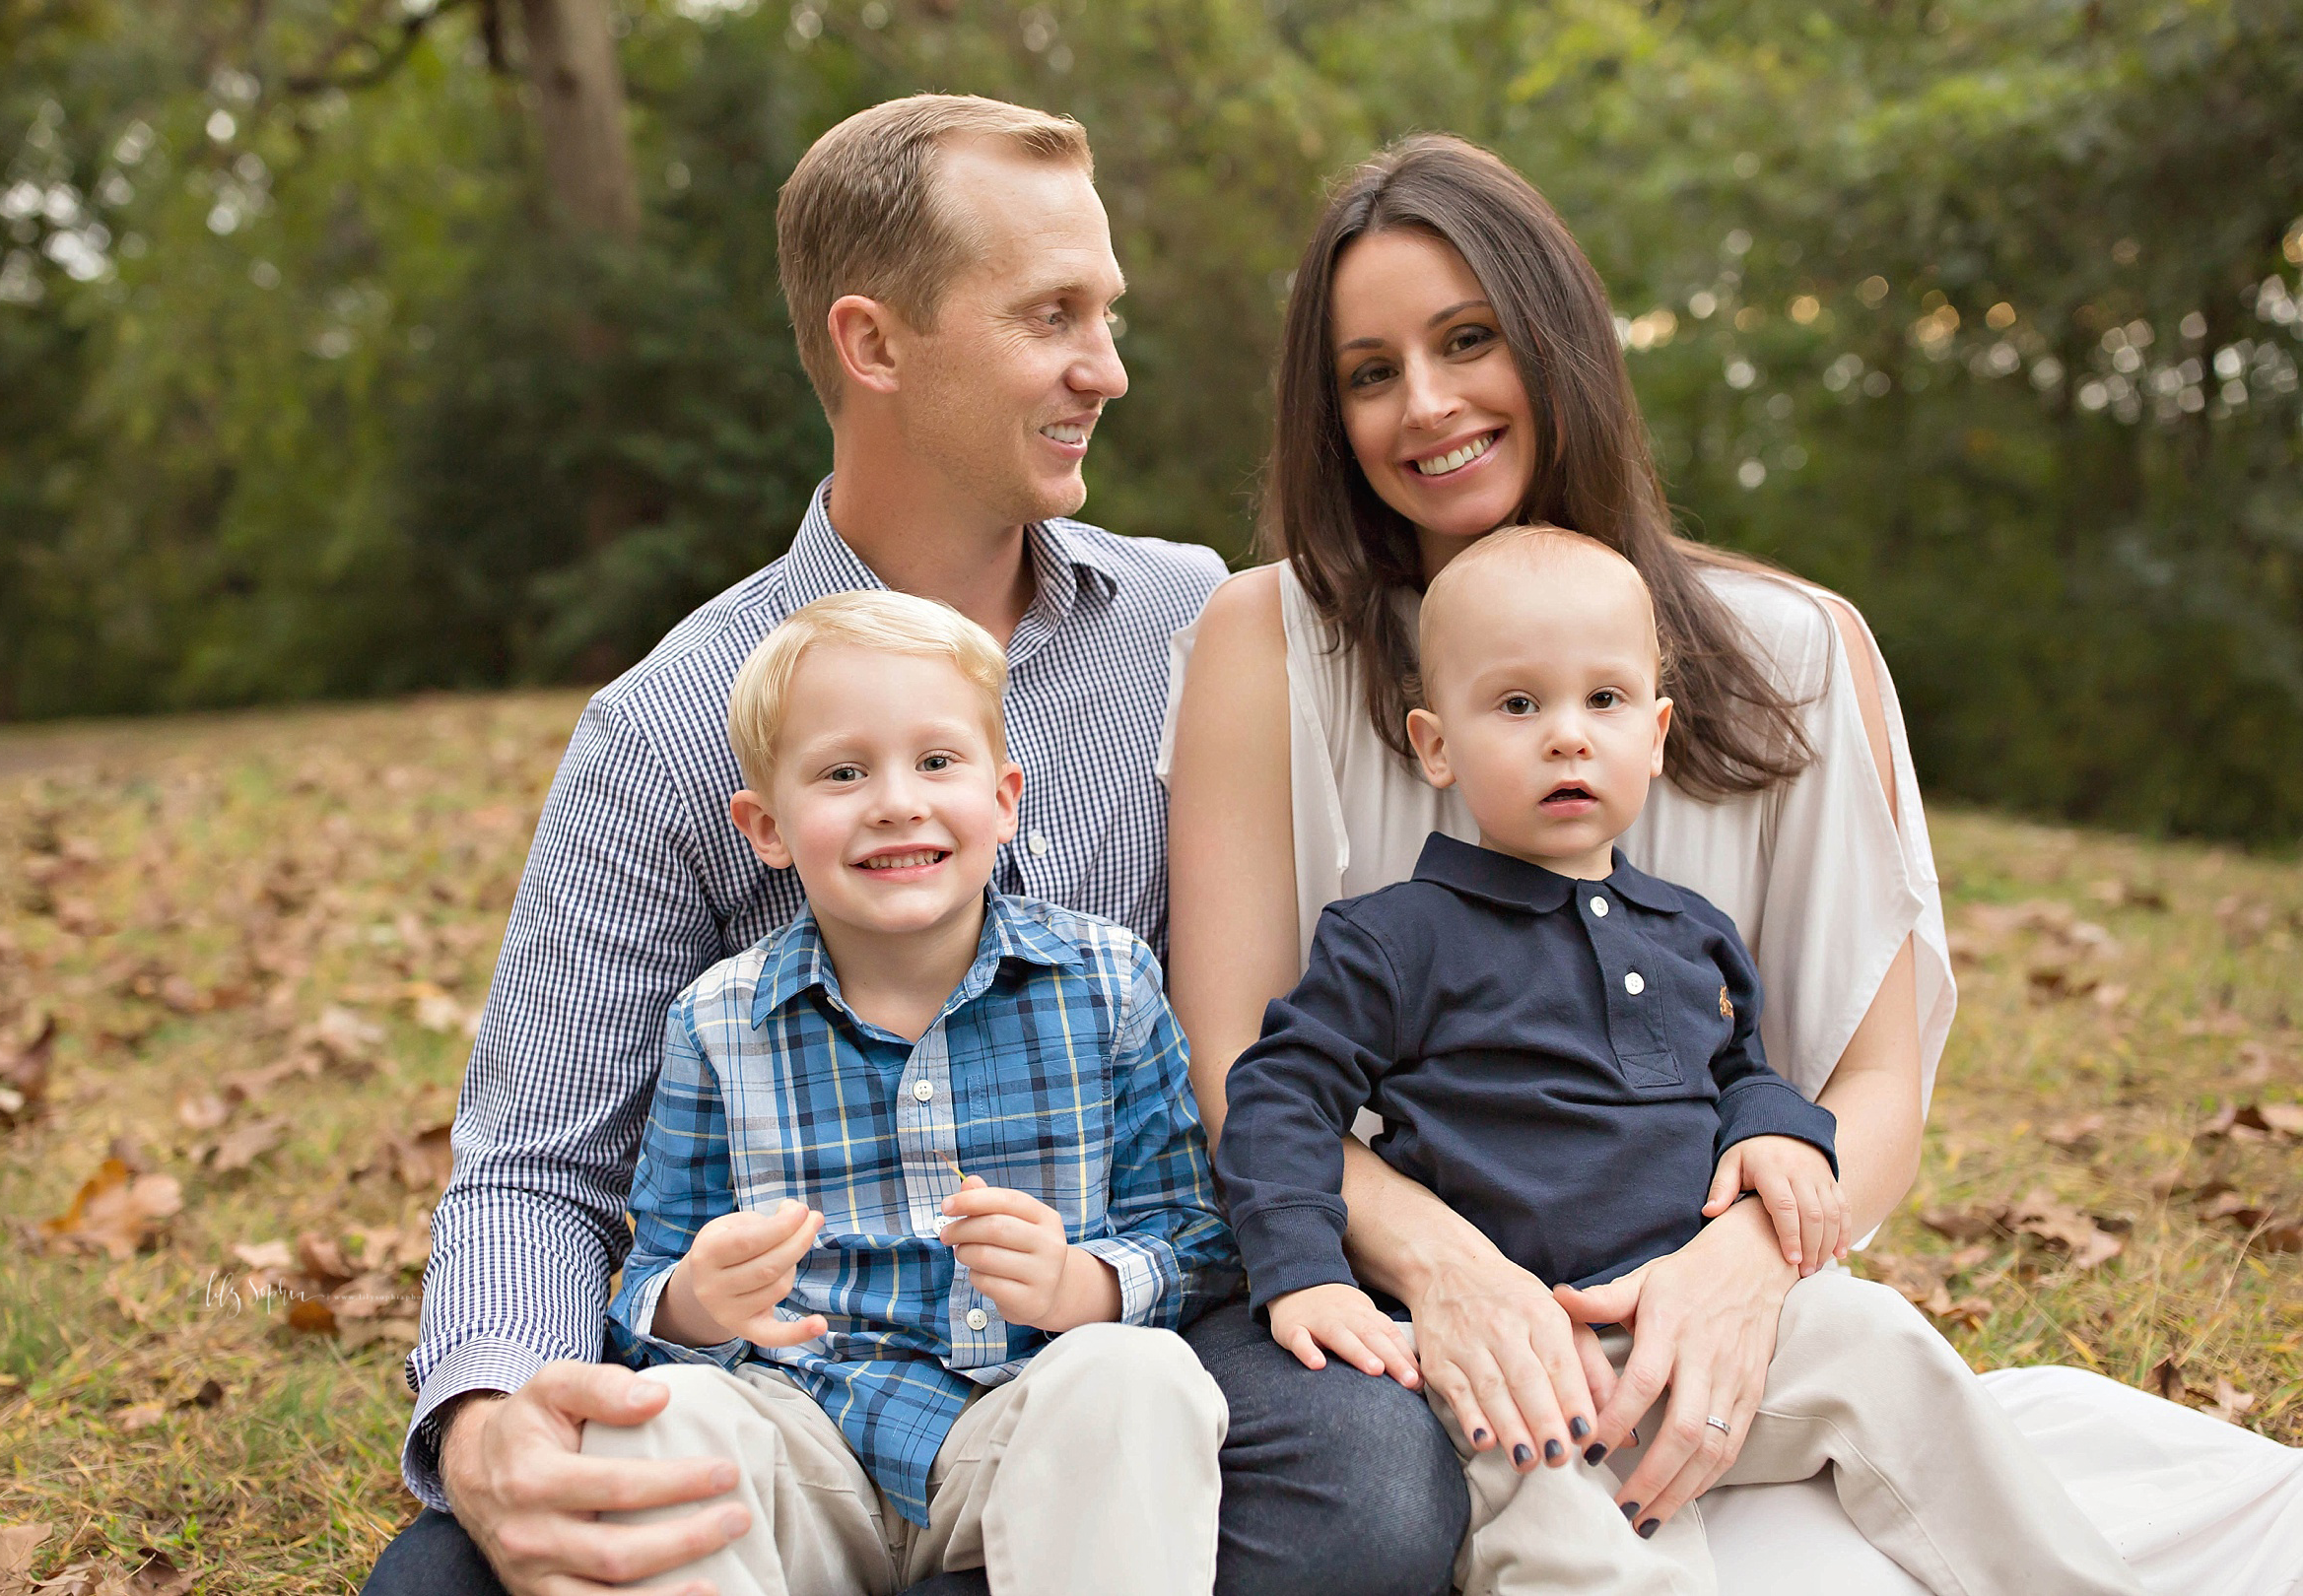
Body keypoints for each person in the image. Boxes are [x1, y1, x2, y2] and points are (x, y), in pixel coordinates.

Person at [1165, 129, 2303, 1596]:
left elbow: (1859, 1082)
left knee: (2189, 1507)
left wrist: (1748, 1262)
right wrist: (1448, 1273)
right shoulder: (1265, 641)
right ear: (1431, 739)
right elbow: (1243, 1063)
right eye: (1369, 372)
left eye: (1467, 340)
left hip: (1716, 1302)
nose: (1424, 403)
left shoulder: (1795, 654)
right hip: (1446, 1343)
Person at [364, 95, 1465, 1596]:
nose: (1108, 368)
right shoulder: (674, 721)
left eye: (1108, 313)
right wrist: (491, 1412)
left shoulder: (1186, 624)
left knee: (1373, 1486)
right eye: (1051, 317)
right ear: (875, 346)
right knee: (443, 1584)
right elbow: (540, 1166)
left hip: (1110, 1351)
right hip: (798, 1392)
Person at [1215, 527, 2149, 1595]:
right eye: (1518, 706)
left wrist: (1774, 1127)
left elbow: (1740, 1069)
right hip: (1532, 1359)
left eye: (1603, 702)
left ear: (1657, 734)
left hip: (1709, 1329)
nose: (1568, 737)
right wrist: (1301, 1271)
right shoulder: (1394, 938)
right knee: (1575, 1555)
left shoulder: (1693, 932)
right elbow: (1280, 1094)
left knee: (1881, 1341)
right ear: (1437, 745)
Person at [578, 590, 1238, 1595]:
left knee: (1140, 1381)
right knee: (659, 1424)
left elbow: (1197, 1236)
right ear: (767, 826)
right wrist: (700, 1300)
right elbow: (650, 1281)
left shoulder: (1106, 984)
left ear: (1005, 796)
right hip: (805, 1434)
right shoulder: (718, 1022)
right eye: (844, 773)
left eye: (937, 762)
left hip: (1022, 1430)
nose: (897, 801)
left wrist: (1081, 1288)